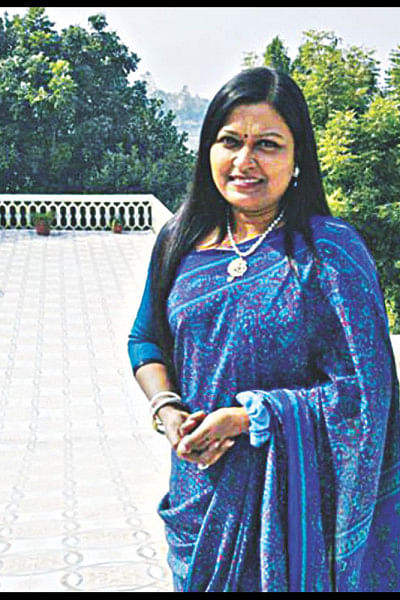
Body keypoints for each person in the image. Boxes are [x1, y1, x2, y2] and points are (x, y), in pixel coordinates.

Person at [128, 67, 400, 592]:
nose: (245, 161)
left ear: (298, 160)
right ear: (208, 150)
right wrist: (168, 410)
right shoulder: (180, 240)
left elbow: (368, 395)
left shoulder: (331, 253)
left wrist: (249, 418)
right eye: (230, 141)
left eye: (268, 145)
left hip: (297, 516)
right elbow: (146, 341)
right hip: (199, 503)